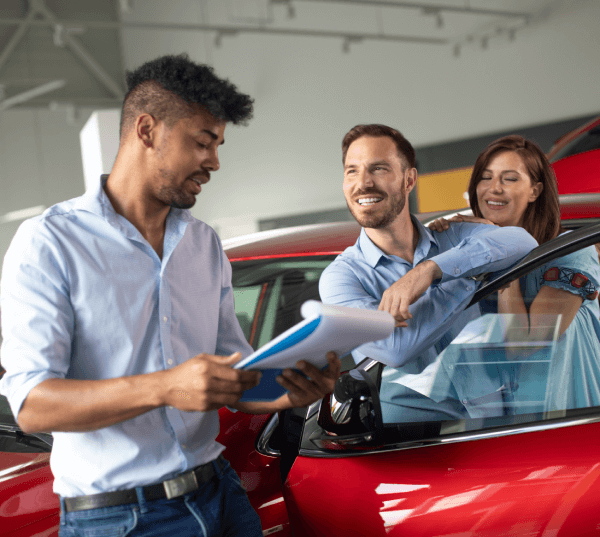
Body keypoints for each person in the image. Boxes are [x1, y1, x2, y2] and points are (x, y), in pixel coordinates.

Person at [0, 54, 340, 537]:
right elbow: (32, 403)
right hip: (120, 518)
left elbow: (237, 378)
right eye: (203, 143)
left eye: (218, 145)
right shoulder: (50, 243)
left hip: (220, 493)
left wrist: (289, 391)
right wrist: (165, 386)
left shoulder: (203, 244)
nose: (214, 162)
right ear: (146, 130)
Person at [318, 124, 538, 423]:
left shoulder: (453, 235)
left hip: (494, 424)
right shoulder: (341, 279)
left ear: (409, 180)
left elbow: (523, 241)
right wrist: (467, 275)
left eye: (378, 168)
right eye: (351, 171)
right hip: (415, 445)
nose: (363, 183)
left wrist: (430, 270)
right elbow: (394, 349)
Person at [429, 135, 600, 411]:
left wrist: (504, 248)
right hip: (493, 421)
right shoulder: (469, 251)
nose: (494, 189)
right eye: (485, 178)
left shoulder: (571, 253)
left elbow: (523, 344)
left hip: (565, 422)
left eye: (509, 178)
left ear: (535, 190)